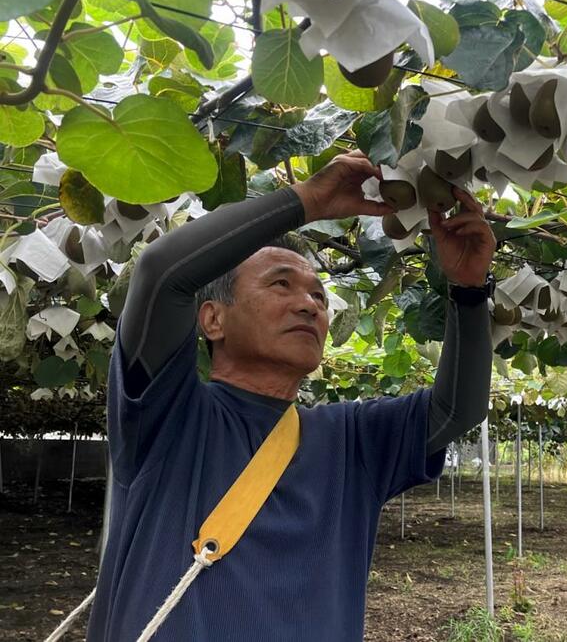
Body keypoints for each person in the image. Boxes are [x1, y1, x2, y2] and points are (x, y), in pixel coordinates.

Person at [85, 151, 496, 641]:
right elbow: (161, 273)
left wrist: (469, 292)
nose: (308, 303)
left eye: (319, 297)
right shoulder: (167, 414)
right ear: (213, 318)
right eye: (281, 284)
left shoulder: (351, 439)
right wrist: (307, 201)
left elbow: (458, 409)